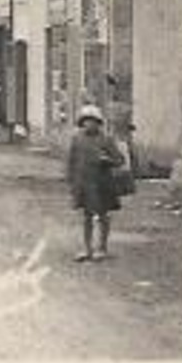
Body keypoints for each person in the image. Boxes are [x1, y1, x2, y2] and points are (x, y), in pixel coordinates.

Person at [67, 104, 124, 262]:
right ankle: (87, 248)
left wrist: (108, 160)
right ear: (81, 123)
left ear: (98, 123)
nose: (89, 124)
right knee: (87, 216)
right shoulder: (77, 139)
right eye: (86, 121)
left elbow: (120, 160)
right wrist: (72, 182)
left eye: (93, 121)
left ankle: (102, 247)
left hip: (102, 183)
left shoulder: (106, 139)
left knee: (103, 215)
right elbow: (72, 162)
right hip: (83, 184)